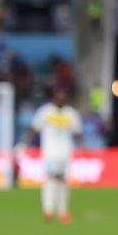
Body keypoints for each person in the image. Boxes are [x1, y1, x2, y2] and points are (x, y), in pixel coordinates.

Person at [32, 87, 82, 223]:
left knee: (63, 182)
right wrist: (27, 143)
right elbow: (34, 128)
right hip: (50, 152)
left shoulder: (71, 114)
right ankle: (48, 210)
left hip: (65, 152)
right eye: (58, 96)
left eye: (63, 97)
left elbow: (78, 132)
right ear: (54, 98)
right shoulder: (45, 112)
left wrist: (81, 143)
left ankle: (63, 211)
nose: (61, 99)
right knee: (50, 179)